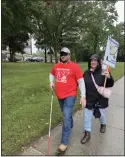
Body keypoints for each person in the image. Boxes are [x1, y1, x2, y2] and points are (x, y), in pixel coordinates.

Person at [49, 47, 86, 153]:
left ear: (69, 55)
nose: (63, 56)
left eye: (65, 54)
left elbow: (81, 82)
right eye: (61, 54)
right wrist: (51, 82)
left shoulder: (75, 67)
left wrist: (83, 96)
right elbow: (51, 74)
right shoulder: (56, 66)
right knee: (66, 114)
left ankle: (64, 143)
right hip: (59, 95)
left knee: (65, 117)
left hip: (70, 95)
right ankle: (70, 123)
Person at [81, 54, 114, 144]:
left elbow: (110, 84)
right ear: (89, 62)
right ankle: (87, 133)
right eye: (91, 60)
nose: (93, 62)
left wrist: (109, 77)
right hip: (90, 99)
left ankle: (103, 124)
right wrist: (83, 96)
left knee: (102, 116)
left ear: (98, 62)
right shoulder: (86, 73)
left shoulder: (104, 71)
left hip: (100, 99)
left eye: (95, 60)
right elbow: (82, 84)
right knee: (87, 117)